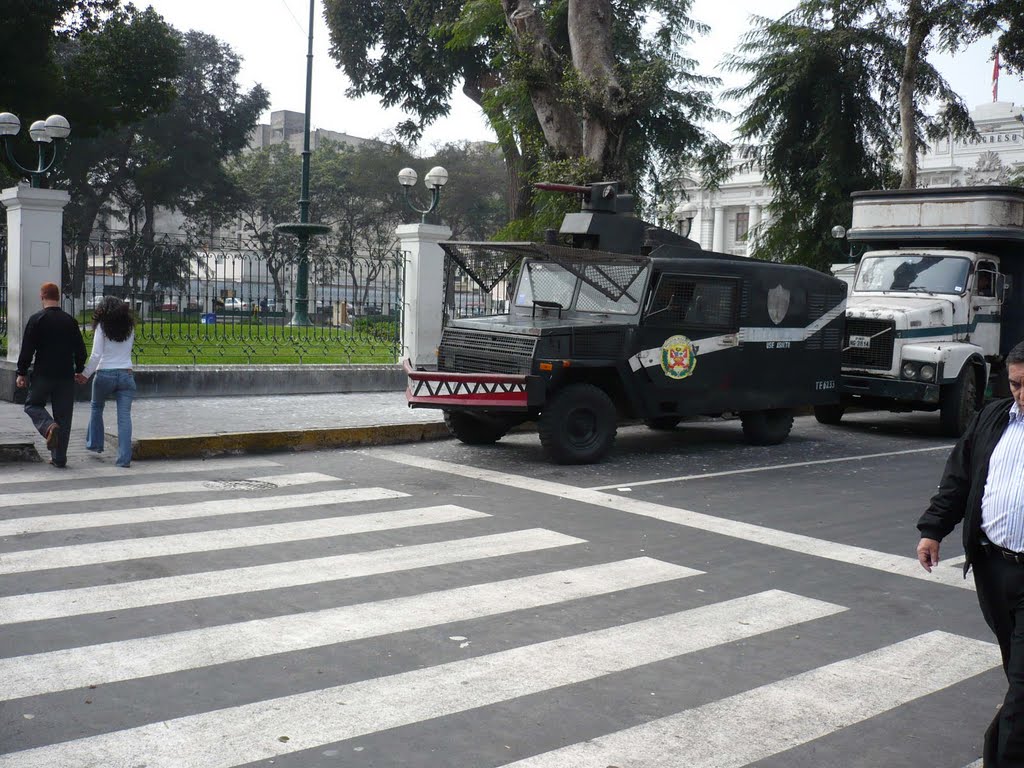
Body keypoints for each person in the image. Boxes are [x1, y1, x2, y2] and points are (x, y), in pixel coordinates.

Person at [917, 339, 1024, 766]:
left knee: (1023, 688)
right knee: (1016, 675)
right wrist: (933, 530)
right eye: (1016, 384)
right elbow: (959, 478)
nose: (1022, 395)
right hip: (995, 569)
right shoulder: (993, 419)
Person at [15, 282, 87, 468]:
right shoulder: (70, 321)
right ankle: (59, 458)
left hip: (43, 375)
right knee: (64, 416)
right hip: (65, 376)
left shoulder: (37, 319)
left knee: (32, 405)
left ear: (42, 297)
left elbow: (27, 350)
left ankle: (47, 426)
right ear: (58, 297)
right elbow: (81, 350)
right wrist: (79, 369)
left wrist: (21, 372)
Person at [75, 296, 137, 468]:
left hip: (104, 375)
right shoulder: (130, 327)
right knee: (124, 417)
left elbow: (96, 355)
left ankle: (95, 444)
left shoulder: (102, 327)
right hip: (126, 374)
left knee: (96, 408)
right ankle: (124, 459)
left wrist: (85, 375)